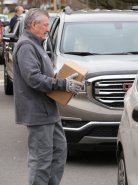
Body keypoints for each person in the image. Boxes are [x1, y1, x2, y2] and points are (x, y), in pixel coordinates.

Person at [12, 8, 83, 185]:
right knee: (41, 161)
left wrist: (60, 80)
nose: (48, 29)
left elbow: (42, 75)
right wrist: (62, 84)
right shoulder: (26, 46)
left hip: (49, 111)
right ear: (34, 25)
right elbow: (33, 79)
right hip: (38, 114)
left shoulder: (36, 44)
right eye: (45, 25)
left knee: (59, 152)